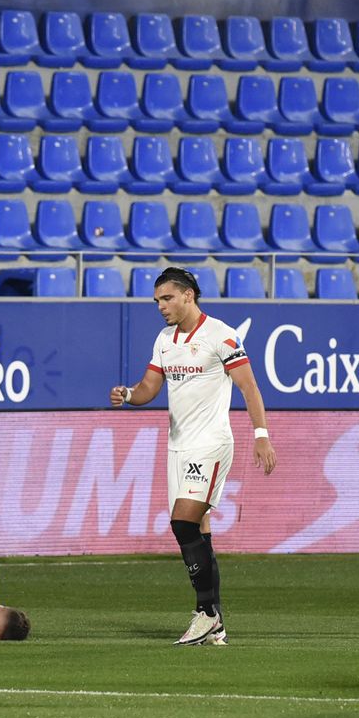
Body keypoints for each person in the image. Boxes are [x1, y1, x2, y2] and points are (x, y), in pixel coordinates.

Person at [110, 267, 277, 647]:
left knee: (183, 523)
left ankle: (206, 614)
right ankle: (214, 623)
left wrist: (262, 436)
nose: (161, 306)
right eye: (157, 301)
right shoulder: (165, 339)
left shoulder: (221, 335)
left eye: (167, 298)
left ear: (189, 295)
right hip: (177, 446)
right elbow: (150, 387)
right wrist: (129, 395)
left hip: (211, 443)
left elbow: (249, 386)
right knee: (197, 529)